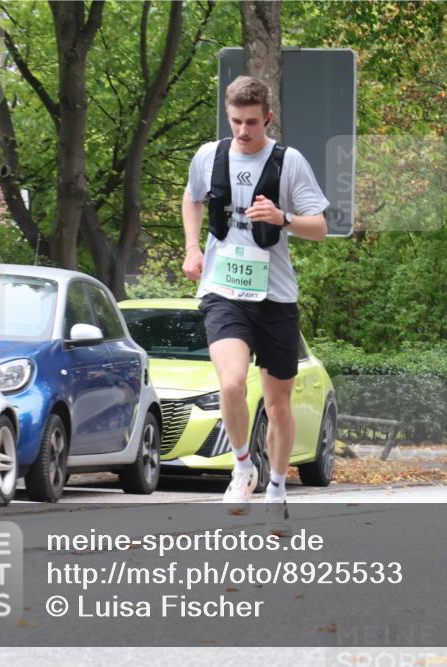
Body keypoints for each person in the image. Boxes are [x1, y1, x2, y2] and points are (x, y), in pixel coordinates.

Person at [181, 76, 329, 523]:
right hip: (223, 290)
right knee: (230, 382)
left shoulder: (290, 162)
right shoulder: (209, 156)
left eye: (251, 122)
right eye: (235, 121)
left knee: (278, 402)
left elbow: (320, 227)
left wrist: (283, 218)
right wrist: (191, 248)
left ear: (267, 118)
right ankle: (243, 466)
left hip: (276, 296)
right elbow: (192, 200)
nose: (243, 131)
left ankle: (278, 487)